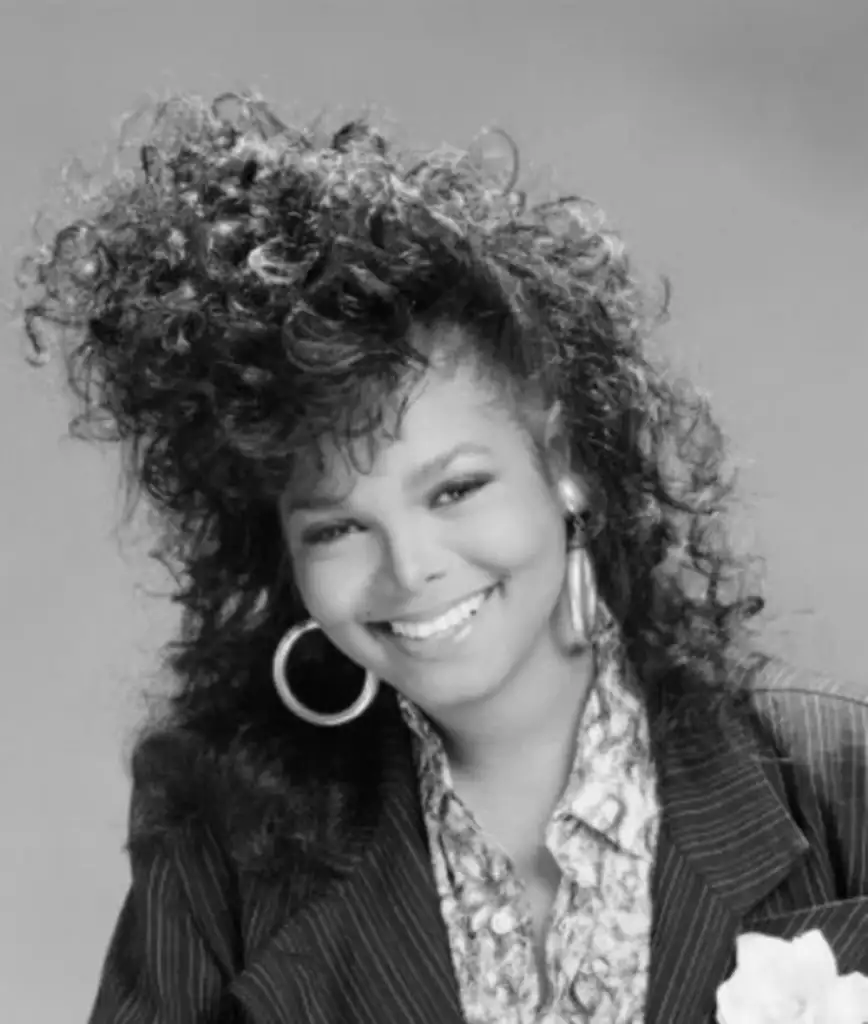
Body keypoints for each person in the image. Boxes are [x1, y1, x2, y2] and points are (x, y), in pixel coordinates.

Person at [19, 92, 868, 1024]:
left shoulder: (838, 775)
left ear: (563, 462)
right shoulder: (221, 839)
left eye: (456, 489)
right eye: (338, 528)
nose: (410, 567)